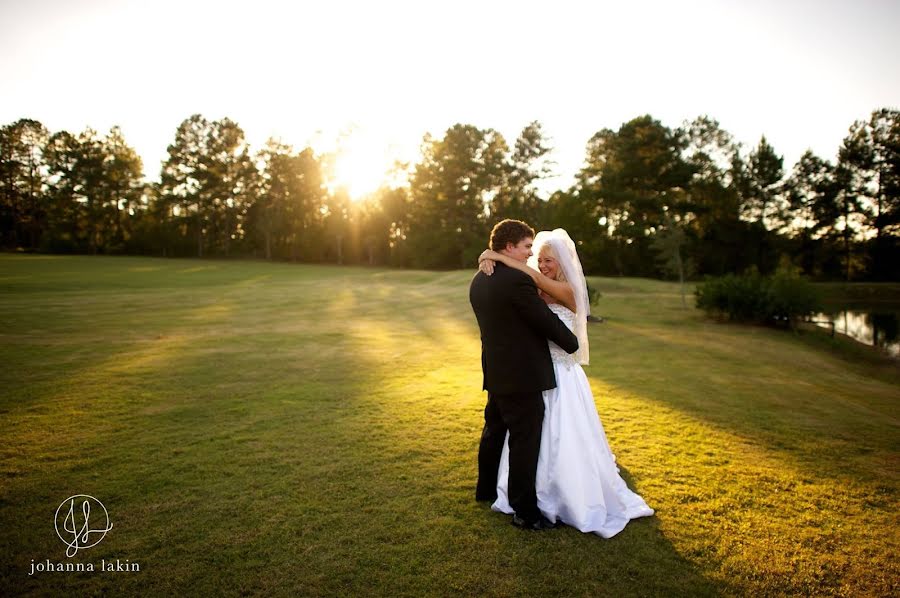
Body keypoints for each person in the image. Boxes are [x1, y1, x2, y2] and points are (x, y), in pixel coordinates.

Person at [478, 228, 654, 538]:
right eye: (537, 258)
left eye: (547, 260)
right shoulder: (531, 283)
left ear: (562, 262)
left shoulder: (567, 290)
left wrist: (493, 255)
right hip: (534, 372)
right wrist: (489, 257)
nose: (540, 265)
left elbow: (536, 289)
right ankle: (527, 495)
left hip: (560, 372)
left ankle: (563, 494)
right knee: (532, 438)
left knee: (559, 436)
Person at [469, 219, 580, 531]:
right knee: (524, 441)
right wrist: (571, 343)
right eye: (527, 247)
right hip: (522, 375)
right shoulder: (516, 282)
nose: (531, 254)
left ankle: (485, 489)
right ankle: (525, 512)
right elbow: (542, 319)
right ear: (509, 247)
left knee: (494, 430)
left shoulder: (480, 279)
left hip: (497, 371)